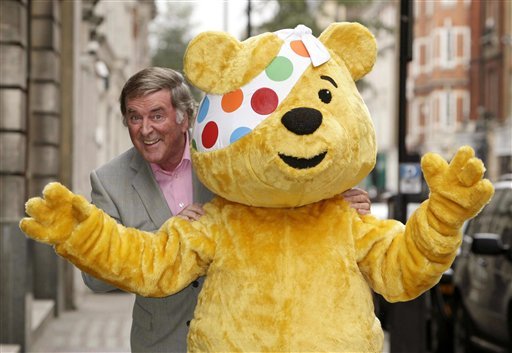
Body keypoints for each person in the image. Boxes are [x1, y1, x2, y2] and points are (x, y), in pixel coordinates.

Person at [82, 67, 371, 353]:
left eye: (157, 115)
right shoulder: (108, 181)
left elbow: (278, 202)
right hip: (160, 342)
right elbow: (94, 277)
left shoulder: (226, 158)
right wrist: (167, 237)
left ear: (185, 119)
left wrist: (331, 206)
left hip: (235, 336)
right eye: (135, 117)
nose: (145, 129)